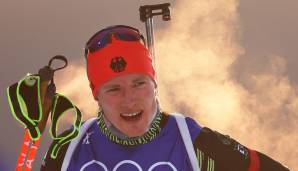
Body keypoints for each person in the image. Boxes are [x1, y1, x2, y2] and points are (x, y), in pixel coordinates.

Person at [40, 25, 290, 171]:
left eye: (139, 84)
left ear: (154, 84)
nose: (129, 100)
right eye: (114, 89)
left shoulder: (192, 142)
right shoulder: (69, 150)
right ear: (96, 95)